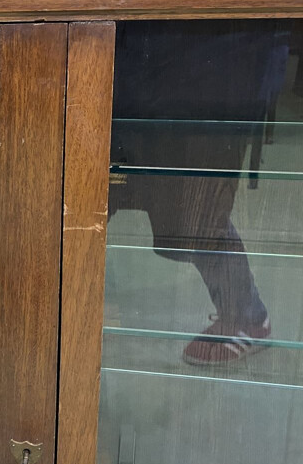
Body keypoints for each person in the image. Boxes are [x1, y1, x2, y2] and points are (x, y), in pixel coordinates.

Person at [108, 20, 290, 364]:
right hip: (123, 51)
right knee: (86, 197)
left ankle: (248, 318)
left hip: (203, 55)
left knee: (196, 216)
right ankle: (62, 310)